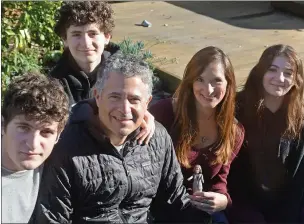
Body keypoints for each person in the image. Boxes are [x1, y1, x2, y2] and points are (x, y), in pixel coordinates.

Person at [34, 53, 212, 223]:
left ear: (147, 102)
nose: (124, 109)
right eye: (115, 97)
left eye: (134, 99)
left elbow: (174, 203)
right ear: (97, 96)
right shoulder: (67, 146)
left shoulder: (157, 138)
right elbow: (53, 217)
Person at [227, 44, 304, 223]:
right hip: (239, 200)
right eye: (273, 69)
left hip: (279, 204)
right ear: (260, 72)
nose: (279, 78)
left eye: (288, 73)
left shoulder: (303, 120)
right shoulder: (237, 108)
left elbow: (299, 182)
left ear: (296, 80)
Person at [149, 46, 245, 223]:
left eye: (216, 81)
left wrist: (223, 200)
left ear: (228, 84)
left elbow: (219, 180)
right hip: (162, 208)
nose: (208, 90)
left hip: (202, 211)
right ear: (190, 81)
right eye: (200, 79)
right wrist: (144, 118)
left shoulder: (234, 131)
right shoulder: (164, 113)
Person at [51, 1, 154, 145]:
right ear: (65, 40)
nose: (85, 43)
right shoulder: (55, 84)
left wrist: (144, 113)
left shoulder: (127, 73)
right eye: (76, 34)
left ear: (107, 37)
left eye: (92, 33)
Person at [1, 72, 69, 223]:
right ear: (2, 125)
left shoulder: (59, 168)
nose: (33, 144)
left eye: (46, 132)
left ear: (58, 136)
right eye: (24, 128)